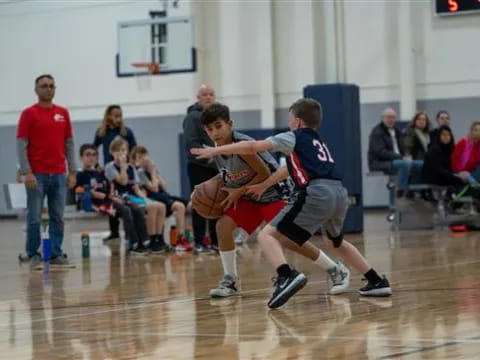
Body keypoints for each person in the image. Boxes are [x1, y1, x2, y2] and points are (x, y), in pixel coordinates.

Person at [193, 99, 391, 309]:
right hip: (338, 192)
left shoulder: (293, 136)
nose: (214, 132)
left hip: (300, 193)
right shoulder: (317, 141)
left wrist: (214, 152)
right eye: (209, 129)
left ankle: (288, 274)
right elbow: (288, 167)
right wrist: (260, 185)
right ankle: (376, 281)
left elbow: (252, 148)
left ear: (296, 122)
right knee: (335, 241)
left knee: (270, 236)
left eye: (289, 119)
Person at [17, 74, 77, 269]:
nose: (48, 89)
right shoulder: (28, 114)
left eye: (51, 86)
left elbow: (69, 144)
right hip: (37, 175)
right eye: (44, 86)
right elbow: (21, 145)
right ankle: (33, 253)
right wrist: (27, 172)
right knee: (34, 217)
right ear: (36, 90)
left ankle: (55, 254)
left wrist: (73, 171)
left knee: (57, 216)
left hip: (59, 174)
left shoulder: (63, 113)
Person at [76, 144, 151, 253]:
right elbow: (90, 193)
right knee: (125, 210)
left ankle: (144, 240)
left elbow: (110, 186)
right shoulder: (80, 174)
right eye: (88, 155)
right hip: (95, 203)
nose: (91, 157)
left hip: (109, 199)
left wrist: (114, 196)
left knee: (135, 208)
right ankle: (133, 242)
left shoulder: (100, 172)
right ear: (81, 157)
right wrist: (110, 197)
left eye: (94, 155)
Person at [105, 138, 165, 255]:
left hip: (131, 197)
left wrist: (146, 199)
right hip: (116, 198)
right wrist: (123, 167)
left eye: (123, 150)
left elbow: (136, 188)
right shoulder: (110, 167)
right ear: (112, 152)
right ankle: (135, 242)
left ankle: (155, 239)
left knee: (159, 206)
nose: (121, 153)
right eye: (117, 150)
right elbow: (122, 182)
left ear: (127, 152)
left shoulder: (131, 168)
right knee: (134, 210)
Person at [130, 145, 192, 251]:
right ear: (135, 161)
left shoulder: (152, 170)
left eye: (144, 156)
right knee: (180, 206)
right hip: (155, 198)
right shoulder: (140, 172)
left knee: (191, 205)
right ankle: (179, 239)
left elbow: (164, 186)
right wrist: (153, 174)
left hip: (165, 196)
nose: (144, 159)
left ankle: (183, 236)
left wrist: (155, 173)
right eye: (140, 157)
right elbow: (154, 188)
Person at [182, 85, 218, 253]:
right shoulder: (193, 117)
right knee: (199, 203)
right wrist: (209, 157)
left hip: (216, 167)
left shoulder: (218, 117)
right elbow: (191, 144)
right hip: (199, 166)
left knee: (216, 203)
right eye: (205, 94)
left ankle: (216, 241)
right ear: (198, 97)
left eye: (211, 94)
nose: (208, 97)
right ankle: (198, 241)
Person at [94, 105, 137, 242]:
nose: (117, 118)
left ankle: (130, 232)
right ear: (108, 116)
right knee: (112, 198)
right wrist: (96, 165)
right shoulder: (101, 132)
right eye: (115, 115)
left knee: (125, 198)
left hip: (123, 168)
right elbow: (93, 149)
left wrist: (129, 165)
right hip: (109, 170)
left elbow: (134, 149)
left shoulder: (126, 132)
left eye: (120, 116)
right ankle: (114, 232)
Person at [368, 108, 422, 197]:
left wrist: (407, 155)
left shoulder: (397, 132)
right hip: (379, 162)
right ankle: (402, 190)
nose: (391, 120)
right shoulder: (376, 132)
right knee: (404, 164)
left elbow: (404, 148)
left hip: (398, 160)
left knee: (420, 164)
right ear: (382, 118)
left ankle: (416, 191)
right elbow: (380, 152)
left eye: (393, 117)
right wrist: (400, 157)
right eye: (388, 117)